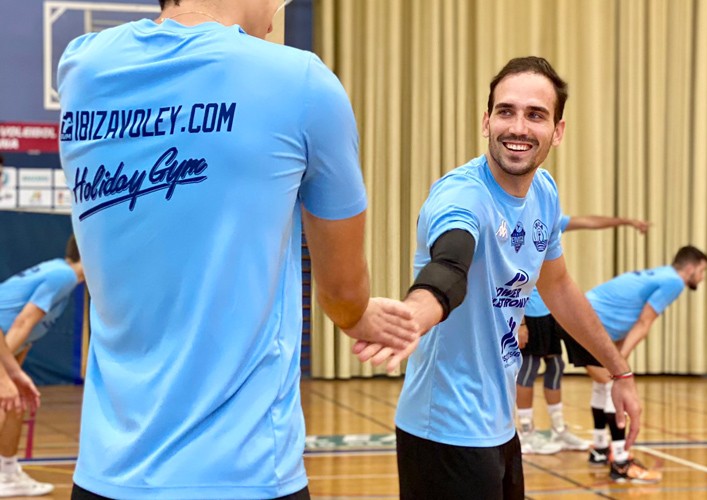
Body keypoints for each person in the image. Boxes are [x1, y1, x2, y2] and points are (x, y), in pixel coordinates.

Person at [57, 1, 418, 499]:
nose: (277, 12)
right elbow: (342, 290)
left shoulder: (81, 67)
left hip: (105, 475)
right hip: (243, 476)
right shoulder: (299, 83)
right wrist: (359, 317)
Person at [354, 56, 643, 500]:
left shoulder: (543, 192)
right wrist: (414, 313)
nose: (518, 127)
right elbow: (450, 266)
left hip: (498, 429)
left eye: (535, 115)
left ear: (557, 132)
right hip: (443, 434)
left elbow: (559, 287)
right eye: (506, 111)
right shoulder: (462, 195)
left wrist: (619, 372)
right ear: (486, 122)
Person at [561, 245, 707, 483]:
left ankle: (600, 450)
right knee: (613, 384)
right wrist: (620, 366)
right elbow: (643, 323)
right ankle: (620, 462)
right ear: (690, 268)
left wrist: (617, 361)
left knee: (603, 385)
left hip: (579, 316)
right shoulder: (674, 282)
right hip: (587, 321)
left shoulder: (661, 273)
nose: (702, 278)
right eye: (702, 271)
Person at [516, 215, 650, 455]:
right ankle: (526, 432)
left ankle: (558, 429)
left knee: (555, 366)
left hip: (551, 310)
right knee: (528, 368)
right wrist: (520, 322)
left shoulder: (548, 219)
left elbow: (588, 222)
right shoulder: (517, 226)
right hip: (527, 311)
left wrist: (626, 222)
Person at [0, 235, 83, 497]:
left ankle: (7, 472)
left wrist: (14, 376)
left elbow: (26, 335)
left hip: (7, 348)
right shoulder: (64, 277)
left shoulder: (58, 271)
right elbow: (22, 323)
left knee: (14, 405)